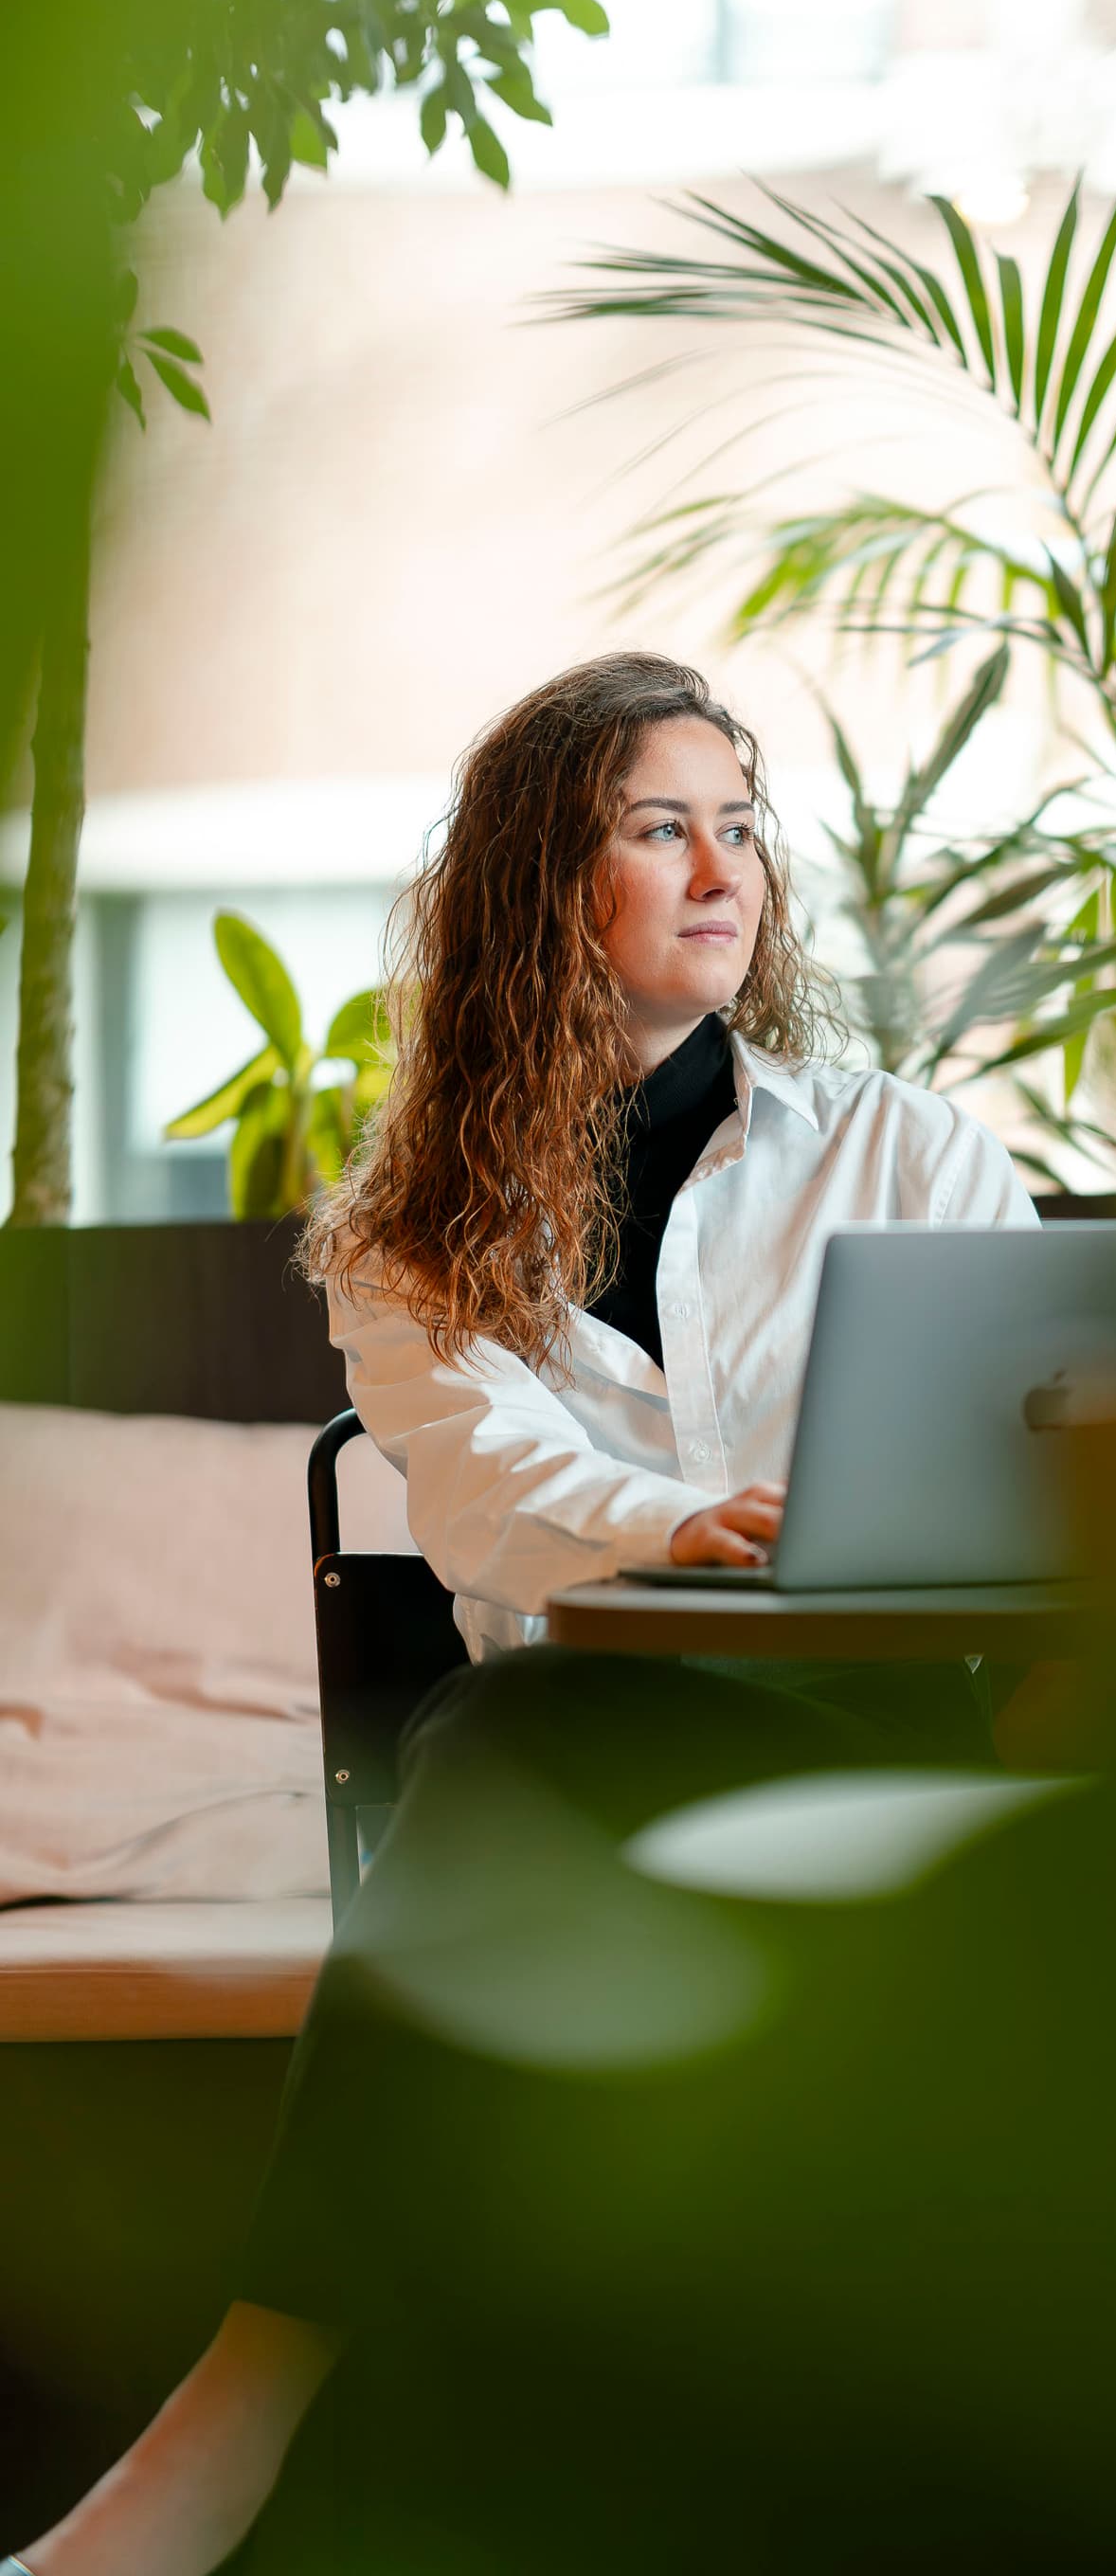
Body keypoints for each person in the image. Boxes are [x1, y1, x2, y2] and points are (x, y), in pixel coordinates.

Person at [14, 652, 1035, 2576]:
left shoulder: (912, 1152)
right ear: (541, 885)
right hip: (588, 1749)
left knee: (498, 1742)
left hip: (861, 1732)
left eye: (741, 827)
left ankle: (222, 2445)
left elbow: (1018, 1464)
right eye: (662, 830)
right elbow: (491, 1506)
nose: (721, 869)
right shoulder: (410, 1225)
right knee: (528, 1723)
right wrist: (702, 1530)